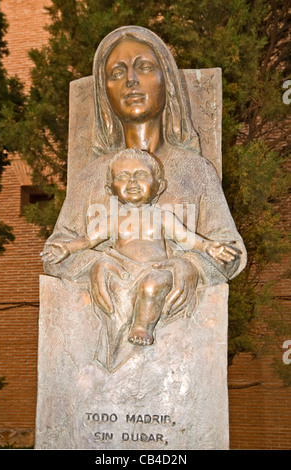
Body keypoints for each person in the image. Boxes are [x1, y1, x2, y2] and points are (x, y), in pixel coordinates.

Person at [41, 26, 246, 363]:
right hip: (96, 352)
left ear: (168, 82)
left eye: (145, 67)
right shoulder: (90, 177)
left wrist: (190, 266)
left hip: (179, 356)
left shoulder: (196, 171)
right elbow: (55, 253)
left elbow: (232, 253)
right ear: (103, 92)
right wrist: (94, 263)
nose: (131, 80)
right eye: (117, 72)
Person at [42, 148, 239, 346]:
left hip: (155, 269)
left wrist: (208, 247)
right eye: (123, 176)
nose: (132, 182)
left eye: (141, 175)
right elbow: (88, 240)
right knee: (107, 277)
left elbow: (186, 238)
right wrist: (66, 248)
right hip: (123, 269)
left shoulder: (162, 217)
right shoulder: (113, 220)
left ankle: (143, 326)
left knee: (153, 286)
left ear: (160, 186)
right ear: (110, 189)